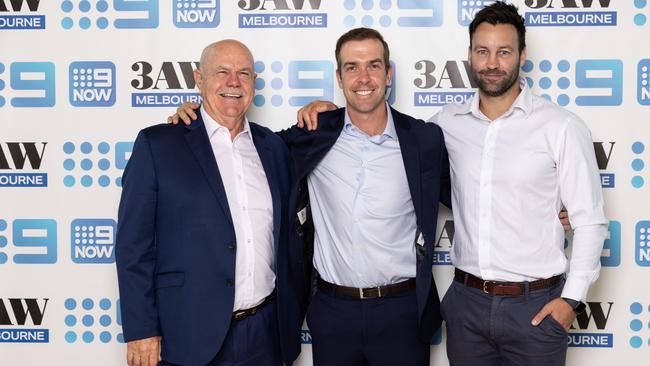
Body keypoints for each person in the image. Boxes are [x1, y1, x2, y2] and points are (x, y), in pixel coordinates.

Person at [296, 3, 606, 366]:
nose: (492, 63)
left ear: (522, 56)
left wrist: (571, 300)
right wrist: (325, 112)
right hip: (466, 304)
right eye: (482, 51)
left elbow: (590, 220)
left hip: (535, 305)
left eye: (503, 52)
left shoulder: (561, 127)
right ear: (470, 56)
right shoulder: (444, 125)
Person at [170, 28, 451, 366]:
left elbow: (472, 200)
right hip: (333, 312)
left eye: (374, 66)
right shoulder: (315, 134)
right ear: (339, 76)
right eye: (351, 67)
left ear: (388, 74)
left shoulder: (424, 138)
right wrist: (197, 120)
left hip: (402, 311)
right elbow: (244, 146)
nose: (363, 77)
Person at [115, 39, 302, 366]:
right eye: (222, 72)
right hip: (190, 335)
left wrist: (323, 109)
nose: (234, 82)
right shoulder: (159, 145)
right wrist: (141, 329)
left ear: (254, 84)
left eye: (244, 73)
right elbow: (133, 246)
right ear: (199, 79)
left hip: (266, 334)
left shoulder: (272, 147)